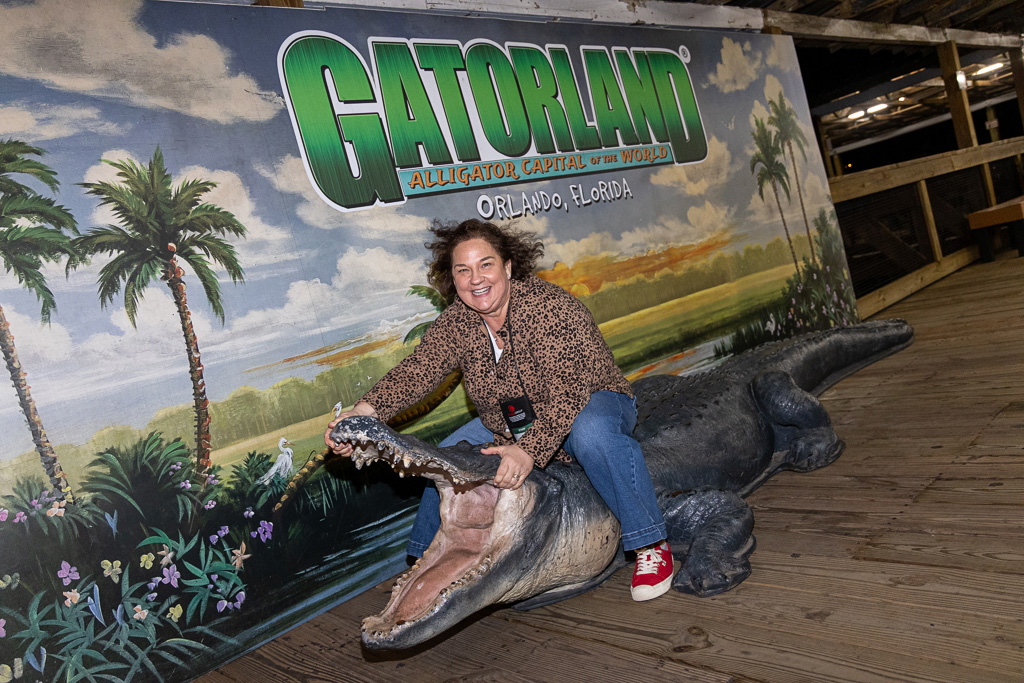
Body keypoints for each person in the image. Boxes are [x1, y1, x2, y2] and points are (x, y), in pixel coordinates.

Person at [325, 219, 673, 601]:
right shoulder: (458, 322)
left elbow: (568, 393)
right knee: (446, 455)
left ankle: (650, 543)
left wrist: (528, 450)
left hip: (590, 399)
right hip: (508, 421)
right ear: (453, 278)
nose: (476, 279)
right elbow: (418, 370)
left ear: (507, 266)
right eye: (463, 270)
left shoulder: (548, 307)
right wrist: (364, 412)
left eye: (485, 264)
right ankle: (428, 564)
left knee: (593, 434)